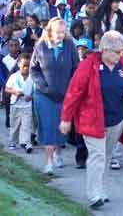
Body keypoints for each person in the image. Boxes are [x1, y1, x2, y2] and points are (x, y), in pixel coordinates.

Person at [59, 31, 123, 209]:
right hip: (93, 120)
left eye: (122, 51)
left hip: (116, 120)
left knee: (107, 156)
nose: (121, 55)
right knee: (97, 156)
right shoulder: (88, 65)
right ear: (104, 49)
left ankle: (102, 189)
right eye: (117, 52)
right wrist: (66, 118)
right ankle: (93, 194)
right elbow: (74, 92)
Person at [30, 17, 79, 175]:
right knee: (48, 127)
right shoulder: (41, 46)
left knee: (61, 127)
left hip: (65, 94)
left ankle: (58, 153)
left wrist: (71, 88)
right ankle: (49, 161)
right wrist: (43, 86)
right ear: (50, 31)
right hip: (44, 95)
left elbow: (76, 69)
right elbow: (34, 70)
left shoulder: (70, 46)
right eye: (58, 32)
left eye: (63, 32)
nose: (60, 35)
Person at [5, 53, 34, 153]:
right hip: (15, 105)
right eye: (24, 65)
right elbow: (7, 89)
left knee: (27, 125)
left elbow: (35, 91)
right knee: (15, 125)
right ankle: (13, 141)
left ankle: (26, 143)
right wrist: (15, 92)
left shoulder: (32, 77)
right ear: (18, 64)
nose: (26, 68)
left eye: (28, 66)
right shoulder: (14, 76)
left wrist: (31, 97)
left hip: (27, 106)